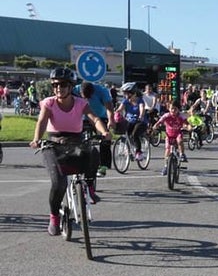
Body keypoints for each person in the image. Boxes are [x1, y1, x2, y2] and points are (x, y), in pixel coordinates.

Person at [29, 68, 111, 235]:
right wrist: (37, 139)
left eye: (63, 85)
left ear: (71, 86)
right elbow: (42, 121)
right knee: (59, 183)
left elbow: (94, 119)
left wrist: (104, 132)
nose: (59, 88)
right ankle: (54, 216)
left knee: (93, 152)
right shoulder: (49, 103)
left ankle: (89, 187)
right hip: (53, 144)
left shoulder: (81, 103)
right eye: (55, 85)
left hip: (75, 141)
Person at [79, 81, 115, 176]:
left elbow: (109, 107)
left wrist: (111, 120)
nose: (86, 100)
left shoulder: (102, 91)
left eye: (88, 97)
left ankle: (103, 165)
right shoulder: (75, 89)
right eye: (84, 97)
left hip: (100, 116)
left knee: (105, 138)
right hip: (84, 117)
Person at [116, 86, 148, 161]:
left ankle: (138, 152)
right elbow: (120, 109)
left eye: (129, 94)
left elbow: (142, 109)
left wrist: (141, 116)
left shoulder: (140, 101)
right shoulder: (126, 101)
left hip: (140, 122)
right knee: (125, 132)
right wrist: (115, 114)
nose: (127, 96)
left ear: (134, 94)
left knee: (134, 134)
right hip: (129, 121)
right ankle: (129, 149)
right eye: (126, 94)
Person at [153, 101, 189, 168]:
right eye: (171, 108)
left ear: (178, 109)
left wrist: (189, 127)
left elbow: (187, 123)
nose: (173, 110)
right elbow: (159, 122)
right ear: (169, 108)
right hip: (169, 135)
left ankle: (182, 154)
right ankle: (166, 165)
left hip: (178, 133)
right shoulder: (166, 115)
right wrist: (155, 127)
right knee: (167, 149)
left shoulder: (181, 116)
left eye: (175, 109)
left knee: (180, 141)